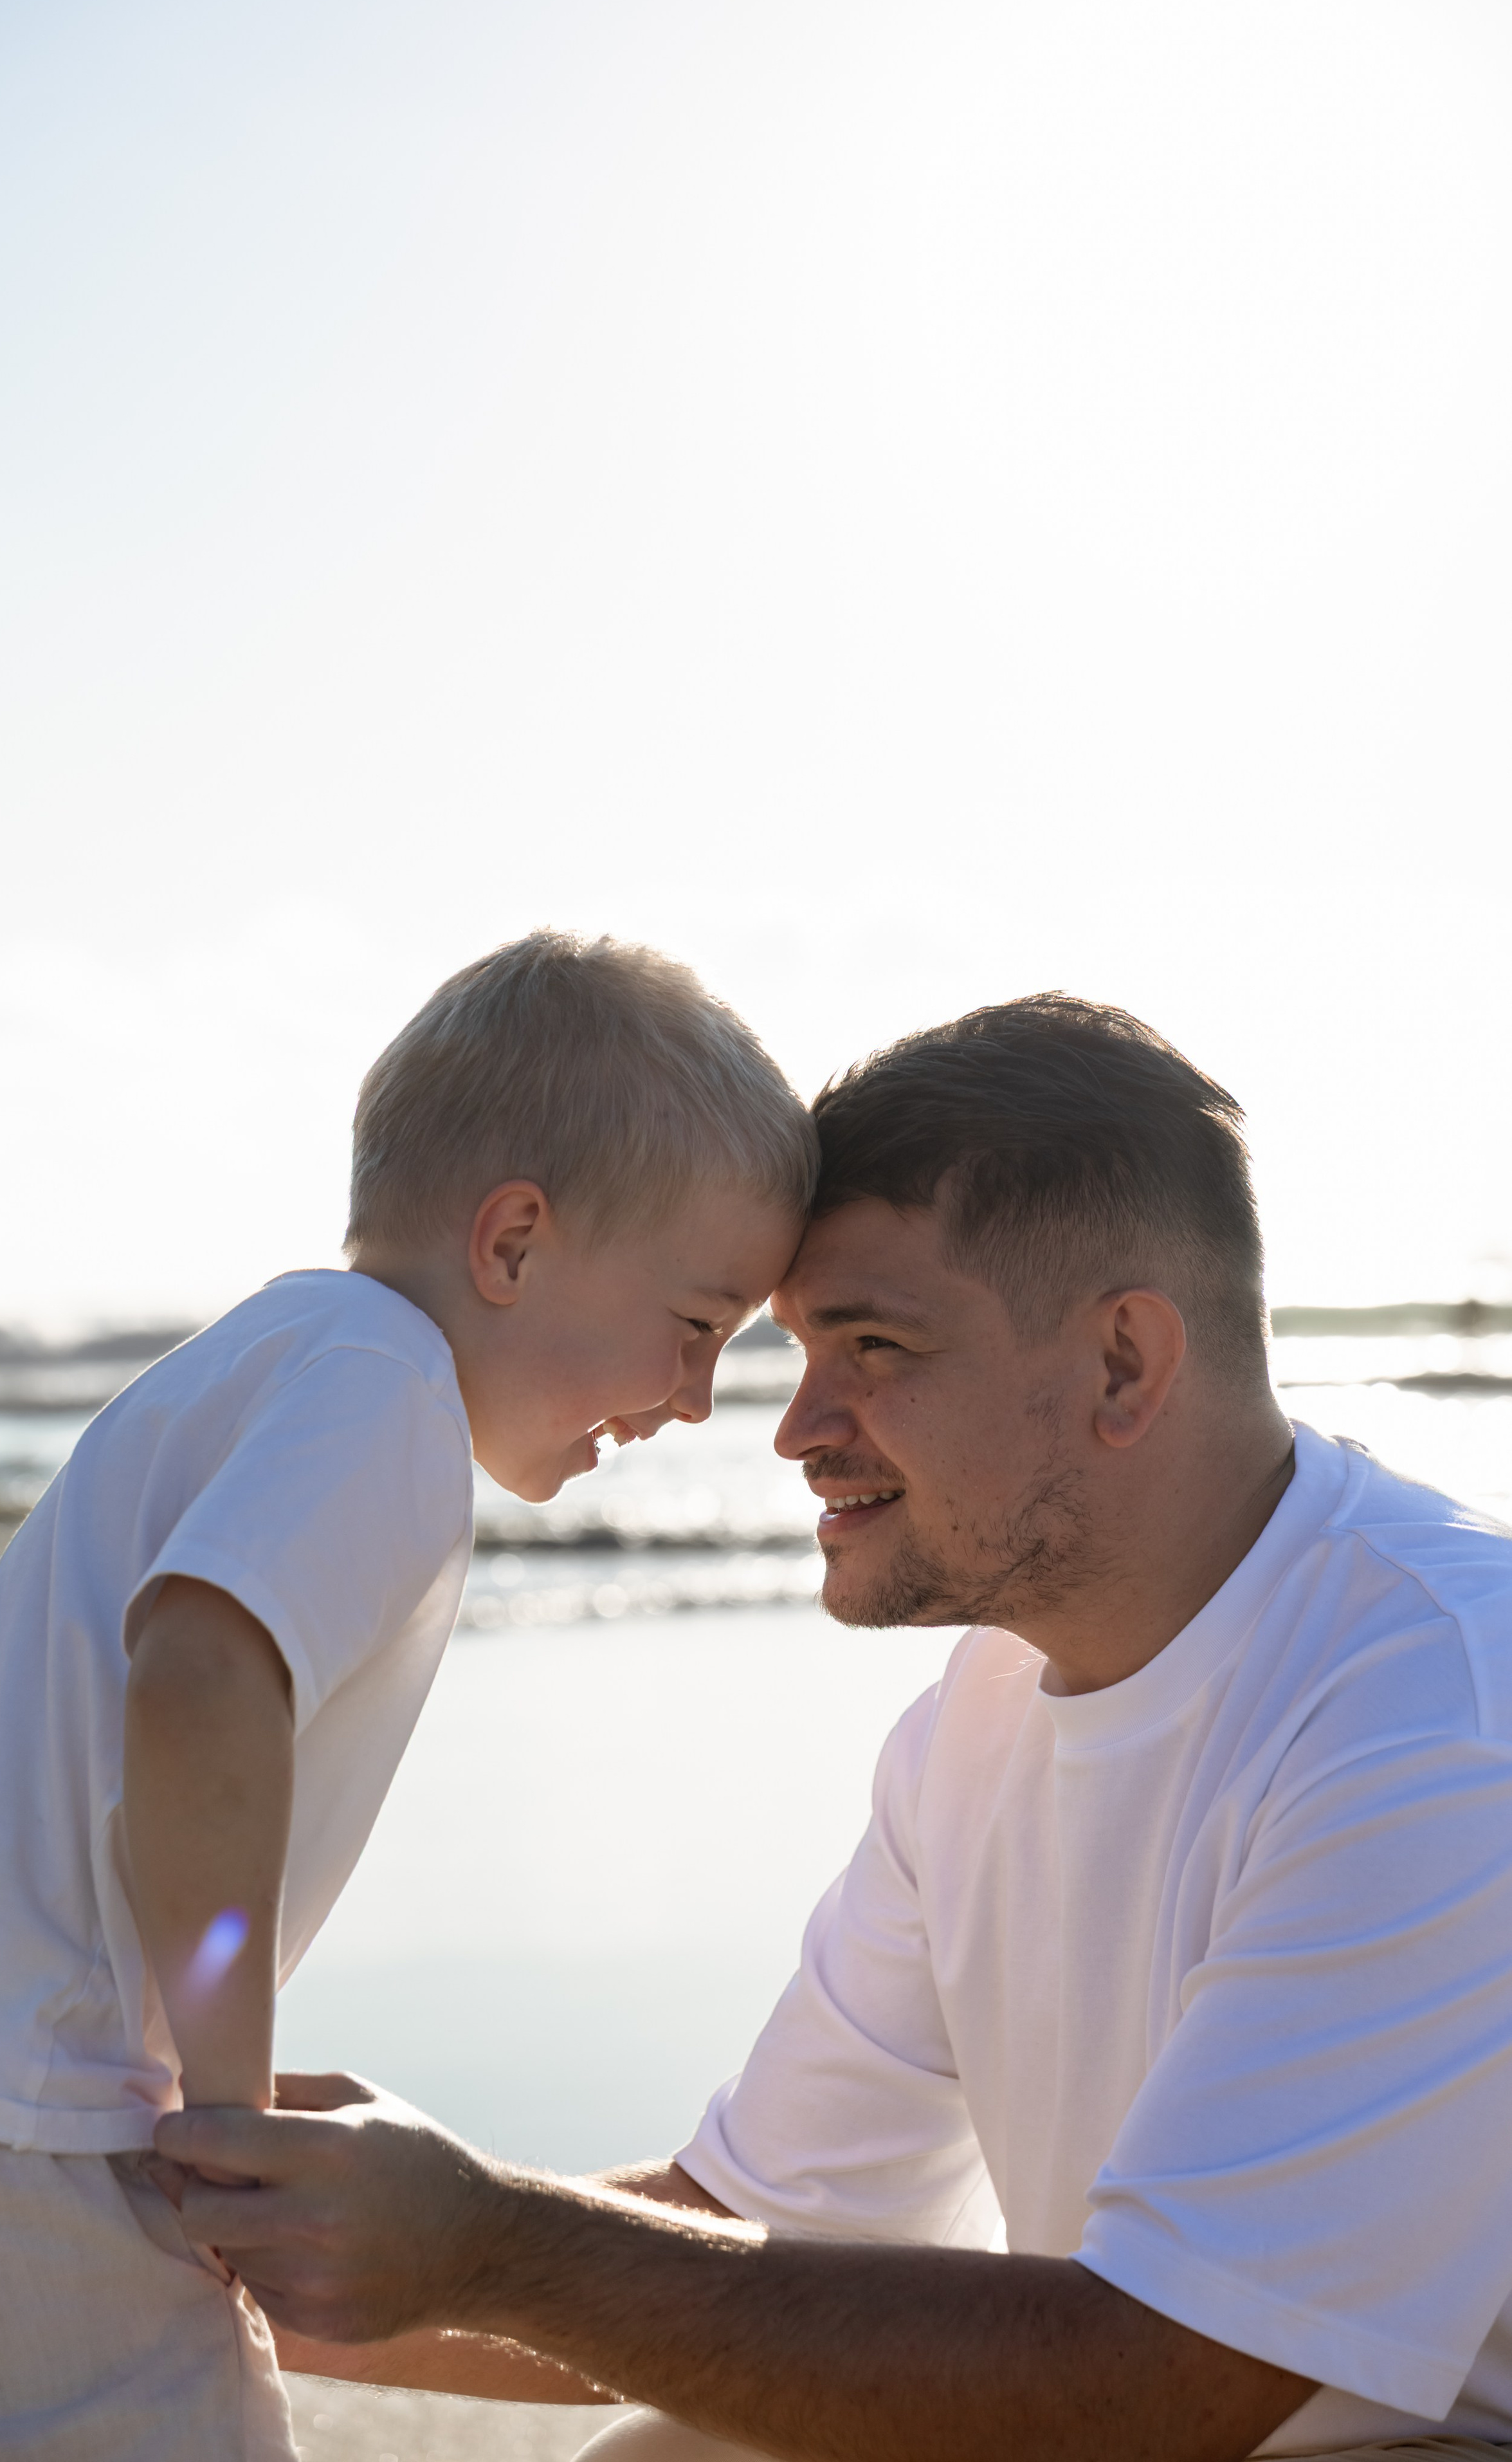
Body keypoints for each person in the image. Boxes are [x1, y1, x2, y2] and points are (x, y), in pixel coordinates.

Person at [164, 995, 1512, 2462]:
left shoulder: (1432, 1710)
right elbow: (747, 2241)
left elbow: (1159, 2385)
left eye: (873, 1346)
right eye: (799, 1351)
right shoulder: (974, 1729)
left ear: (1123, 1363)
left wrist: (486, 2241)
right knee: (679, 2449)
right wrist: (238, 2244)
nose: (797, 1427)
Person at [0, 931, 811, 2462]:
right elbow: (199, 1678)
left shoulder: (288, 1349)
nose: (700, 1400)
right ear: (510, 1243)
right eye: (697, 1327)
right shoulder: (385, 1394)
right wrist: (227, 2102)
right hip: (19, 2131)